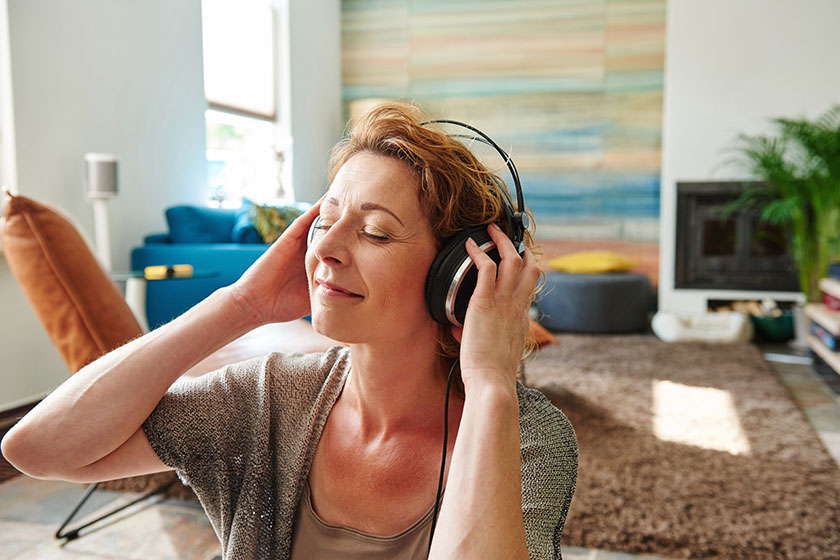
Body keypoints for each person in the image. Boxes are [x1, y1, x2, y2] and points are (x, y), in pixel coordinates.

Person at [1, 102, 577, 559]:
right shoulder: (266, 400)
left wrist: (490, 383)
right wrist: (239, 304)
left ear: (459, 276)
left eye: (374, 232)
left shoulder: (527, 440)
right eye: (324, 221)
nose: (323, 246)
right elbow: (36, 449)